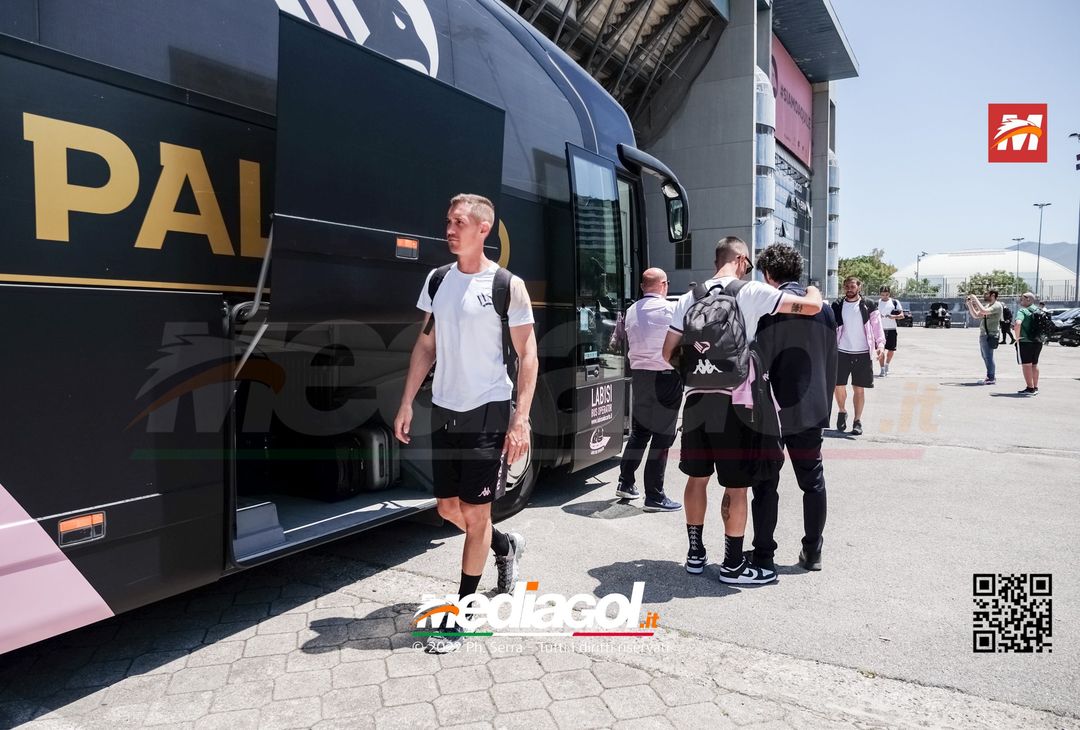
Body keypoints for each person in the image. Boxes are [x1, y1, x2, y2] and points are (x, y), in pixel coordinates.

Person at [394, 194, 538, 654]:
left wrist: (521, 420)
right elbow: (425, 346)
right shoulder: (437, 281)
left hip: (488, 409)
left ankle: (461, 616)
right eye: (448, 220)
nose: (450, 229)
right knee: (447, 509)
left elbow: (528, 355)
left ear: (483, 229)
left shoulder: (506, 285)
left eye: (459, 222)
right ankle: (504, 545)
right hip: (445, 407)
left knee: (474, 514)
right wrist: (406, 403)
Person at [662, 237, 823, 585]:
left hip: (696, 402)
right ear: (740, 260)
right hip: (736, 403)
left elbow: (667, 352)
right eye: (748, 264)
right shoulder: (749, 292)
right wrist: (813, 290)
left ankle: (694, 554)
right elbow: (808, 308)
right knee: (735, 488)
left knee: (696, 478)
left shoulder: (689, 297)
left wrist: (699, 371)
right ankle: (733, 564)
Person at [751, 244, 837, 572]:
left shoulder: (770, 308)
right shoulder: (825, 310)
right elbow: (831, 360)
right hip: (812, 407)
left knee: (765, 483)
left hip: (773, 408)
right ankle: (812, 551)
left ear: (768, 276)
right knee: (813, 480)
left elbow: (758, 360)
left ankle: (763, 554)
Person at [610, 268, 683, 512]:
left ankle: (626, 482)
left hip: (639, 377)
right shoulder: (670, 309)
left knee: (640, 433)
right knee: (663, 436)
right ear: (664, 284)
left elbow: (616, 340)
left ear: (643, 287)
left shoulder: (629, 311)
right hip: (665, 377)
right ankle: (654, 495)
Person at [831, 277, 885, 436]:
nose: (849, 289)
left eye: (852, 286)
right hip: (841, 351)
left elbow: (877, 327)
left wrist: (880, 345)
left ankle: (857, 421)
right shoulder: (837, 305)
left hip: (862, 353)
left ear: (859, 287)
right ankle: (842, 411)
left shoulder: (868, 305)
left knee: (859, 389)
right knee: (838, 386)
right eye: (846, 286)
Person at [965, 290, 1003, 385]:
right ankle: (989, 376)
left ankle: (991, 377)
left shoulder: (997, 306)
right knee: (985, 356)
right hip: (984, 334)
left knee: (988, 356)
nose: (984, 296)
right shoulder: (988, 306)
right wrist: (970, 304)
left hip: (990, 334)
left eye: (986, 294)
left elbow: (983, 311)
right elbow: (976, 315)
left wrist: (975, 298)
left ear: (993, 295)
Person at [1013, 292, 1042, 395]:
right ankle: (1035, 387)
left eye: (1022, 299)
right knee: (1034, 364)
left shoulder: (1023, 311)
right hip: (1038, 341)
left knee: (1026, 365)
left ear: (1028, 300)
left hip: (1025, 341)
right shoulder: (1038, 310)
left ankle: (1030, 388)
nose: (1020, 301)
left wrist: (1017, 337)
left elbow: (1017, 323)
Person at [876, 285, 903, 377]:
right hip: (880, 330)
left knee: (891, 350)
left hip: (891, 329)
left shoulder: (895, 302)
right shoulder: (877, 303)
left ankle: (887, 365)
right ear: (880, 294)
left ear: (889, 294)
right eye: (883, 295)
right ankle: (882, 369)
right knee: (880, 350)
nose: (885, 296)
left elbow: (902, 315)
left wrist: (893, 317)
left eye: (886, 294)